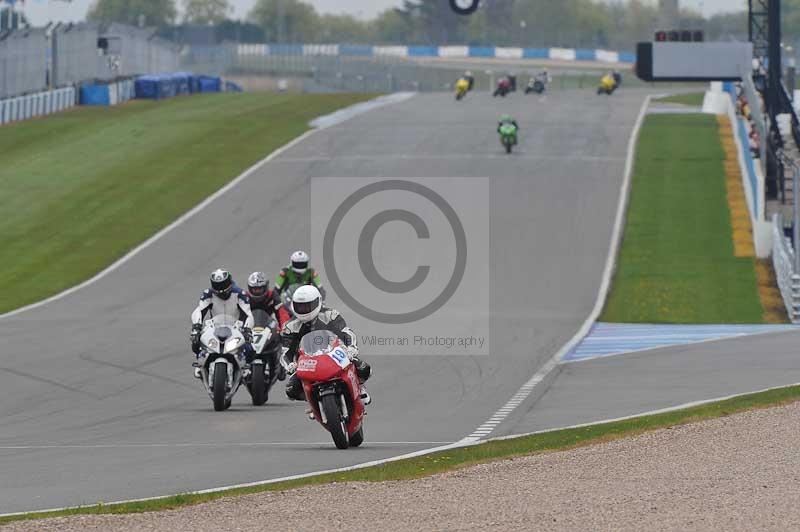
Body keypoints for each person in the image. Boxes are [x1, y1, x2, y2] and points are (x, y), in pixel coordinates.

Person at [279, 285, 372, 405]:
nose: (303, 310)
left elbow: (346, 332)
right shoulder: (289, 327)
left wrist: (351, 348)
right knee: (291, 390)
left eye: (307, 306)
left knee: (365, 369)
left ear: (318, 302)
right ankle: (313, 401)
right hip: (307, 362)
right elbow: (285, 352)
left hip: (334, 354)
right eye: (300, 306)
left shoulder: (330, 315)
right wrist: (290, 366)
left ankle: (360, 387)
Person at [190, 269, 255, 378]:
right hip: (214, 327)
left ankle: (246, 367)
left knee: (250, 349)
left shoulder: (240, 293)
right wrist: (196, 327)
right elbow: (199, 311)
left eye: (223, 284)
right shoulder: (208, 294)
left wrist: (247, 330)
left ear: (229, 281)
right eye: (217, 285)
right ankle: (200, 362)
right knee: (196, 339)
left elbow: (249, 314)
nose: (221, 288)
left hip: (235, 327)